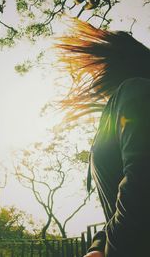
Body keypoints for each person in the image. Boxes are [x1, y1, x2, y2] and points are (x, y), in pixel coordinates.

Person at [56, 19, 150, 257]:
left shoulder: (135, 90)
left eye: (98, 66)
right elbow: (117, 200)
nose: (94, 74)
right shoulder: (125, 102)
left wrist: (117, 250)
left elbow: (141, 178)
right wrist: (98, 246)